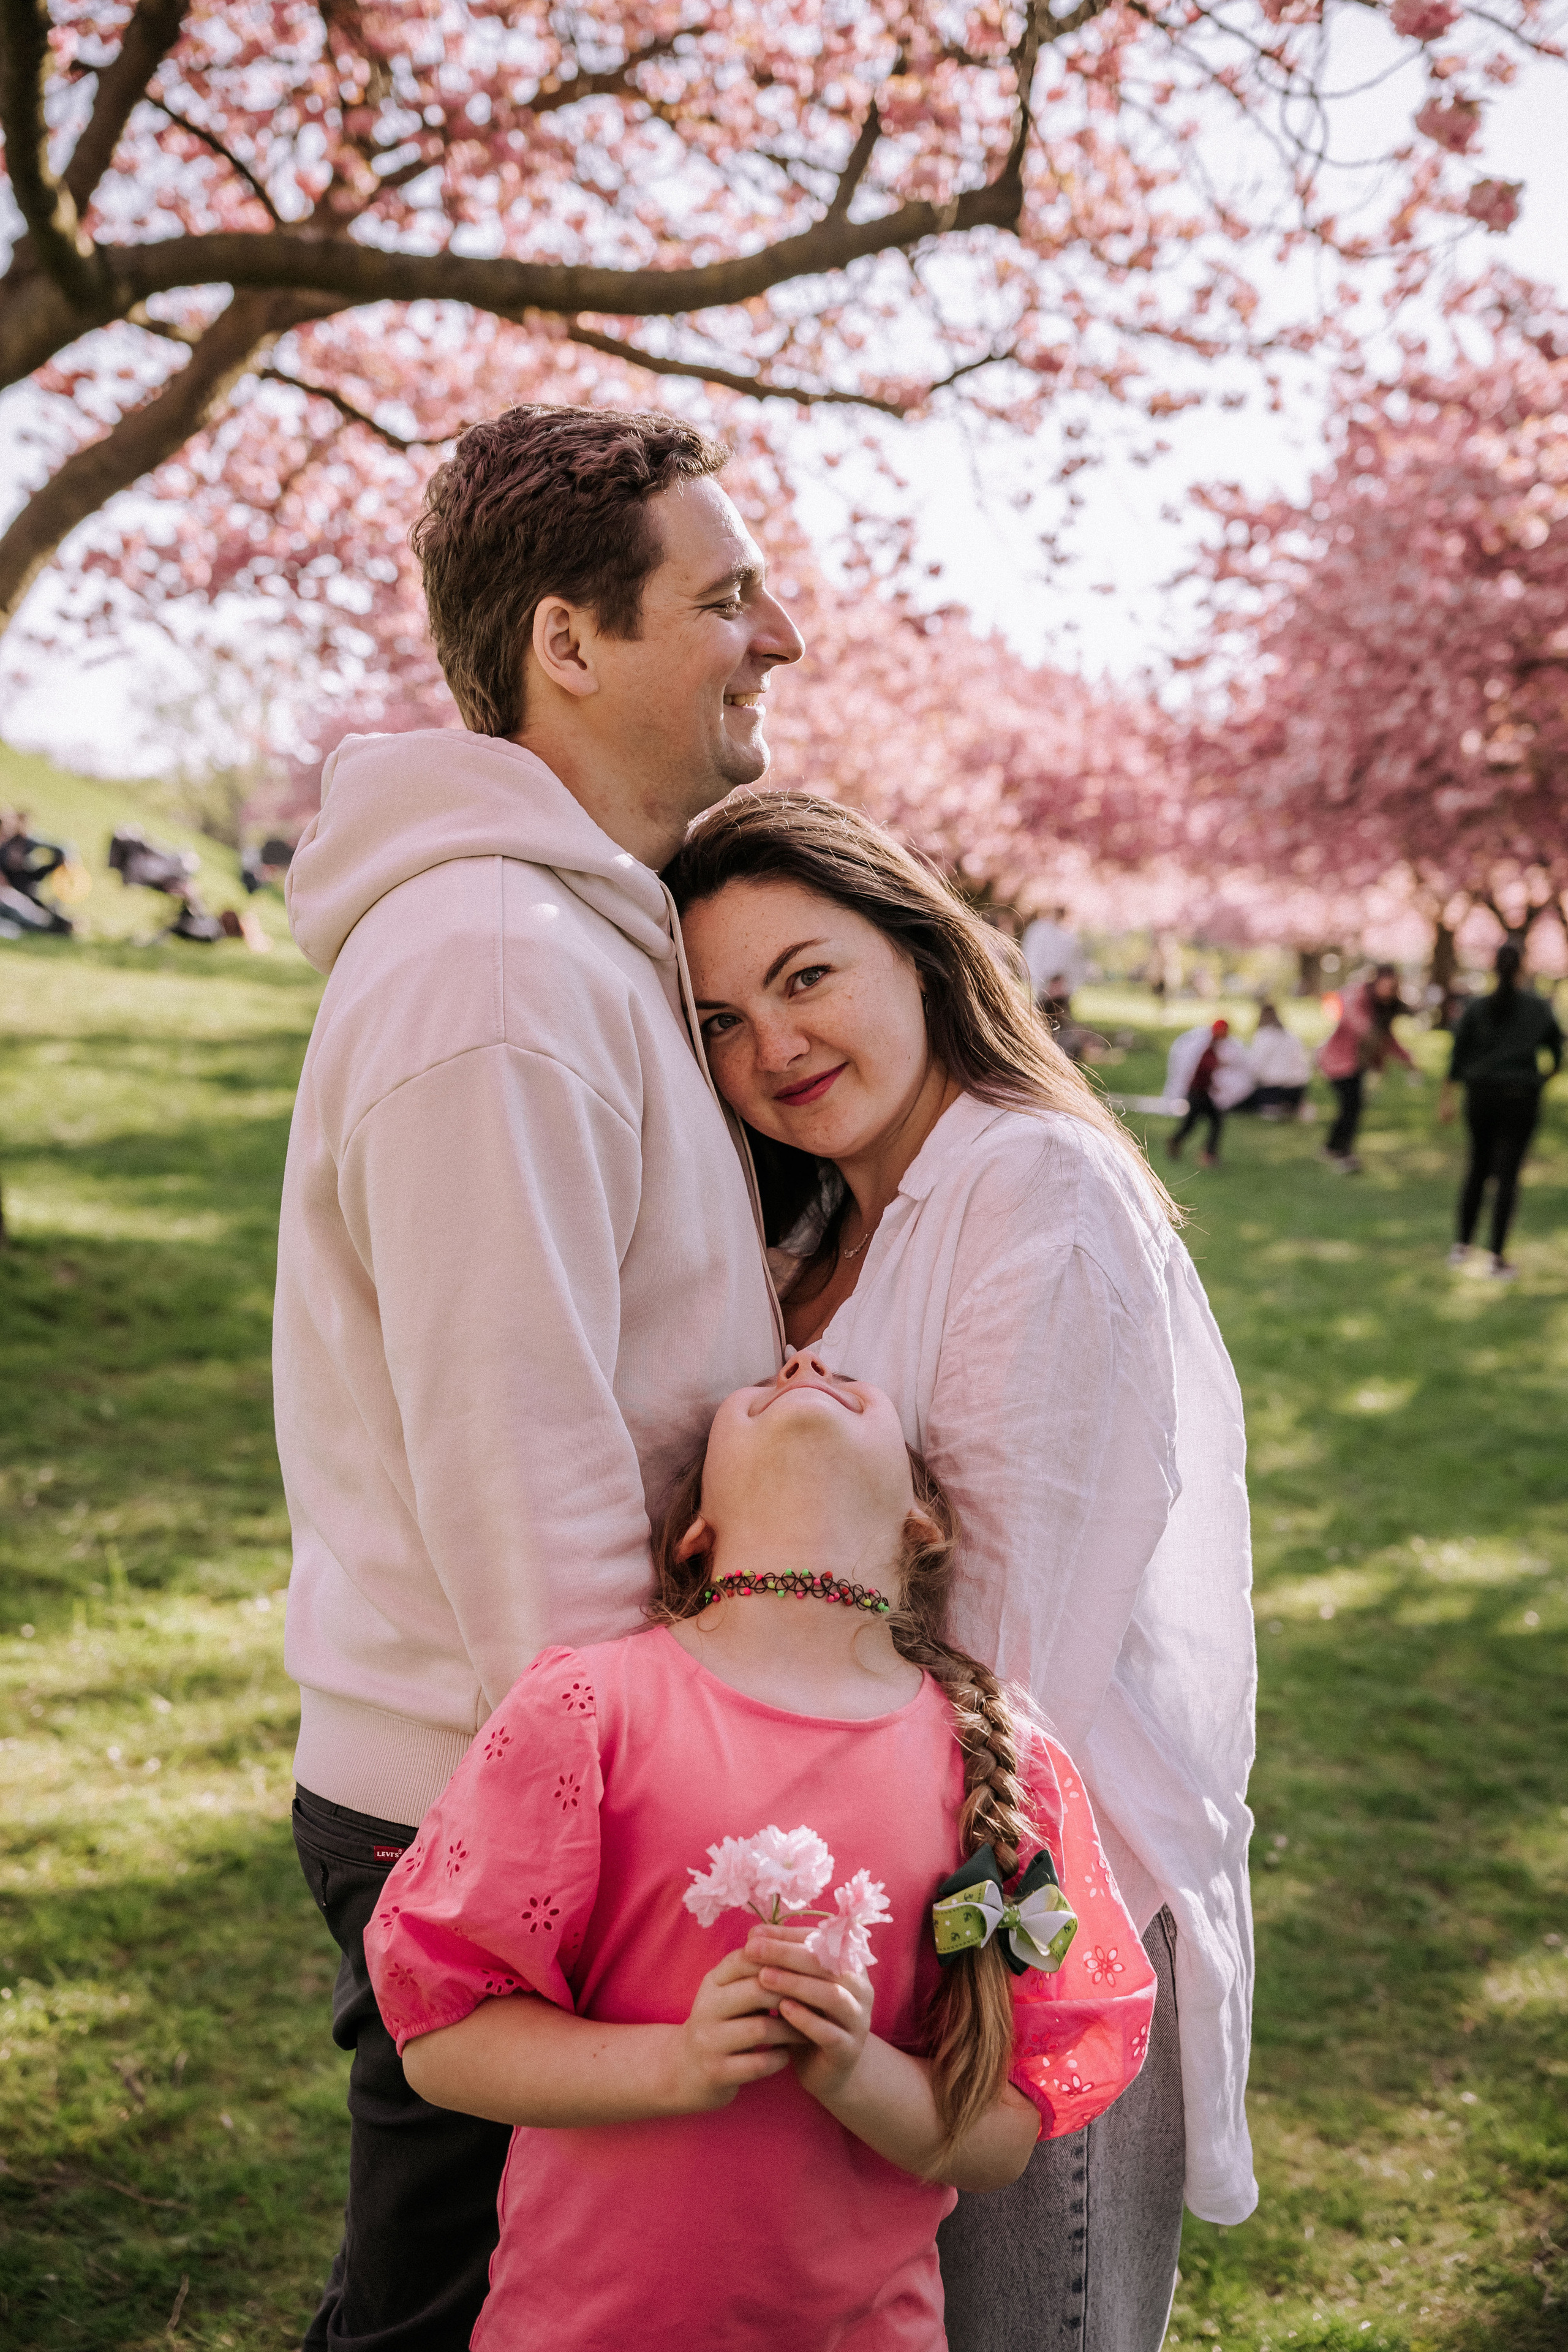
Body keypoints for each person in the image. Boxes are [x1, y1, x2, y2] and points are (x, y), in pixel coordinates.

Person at [273, 405, 802, 2350]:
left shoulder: (570, 931)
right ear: (567, 641)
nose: (779, 639)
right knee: (455, 2316)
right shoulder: (494, 962)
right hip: (498, 1807)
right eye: (727, 598)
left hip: (537, 1776)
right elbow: (523, 1471)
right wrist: (652, 1857)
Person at [669, 794, 1256, 2352]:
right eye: (719, 1019)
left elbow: (1015, 1648)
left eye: (805, 976)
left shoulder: (1033, 1190)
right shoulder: (816, 1227)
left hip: (1016, 1913)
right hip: (854, 1886)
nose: (772, 1045)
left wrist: (908, 1950)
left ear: (920, 953)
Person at [365, 1355, 1157, 2350]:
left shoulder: (997, 1766)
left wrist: (856, 2070)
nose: (805, 1362)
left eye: (845, 1372)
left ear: (921, 1521)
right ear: (696, 1529)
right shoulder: (587, 1709)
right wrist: (679, 2063)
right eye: (776, 1374)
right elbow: (443, 2039)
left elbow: (998, 2139)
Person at [1441, 943, 1563, 1278]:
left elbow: (1458, 1055)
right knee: (1508, 1174)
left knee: (1478, 1168)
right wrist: (1540, 1079)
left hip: (1481, 1096)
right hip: (1520, 1097)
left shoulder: (1477, 1007)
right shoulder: (1538, 1008)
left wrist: (1447, 1097)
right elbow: (1556, 1051)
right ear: (1522, 968)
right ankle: (1496, 1256)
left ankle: (1462, 1246)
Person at [1315, 962, 1417, 1172]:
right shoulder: (1358, 997)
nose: (1390, 992)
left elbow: (1387, 1040)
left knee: (1351, 1107)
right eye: (1387, 986)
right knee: (1351, 1106)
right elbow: (1354, 1019)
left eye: (1394, 987)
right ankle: (1342, 1152)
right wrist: (1371, 1033)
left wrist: (1407, 1060)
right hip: (1339, 1063)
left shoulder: (1384, 1008)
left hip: (1357, 1064)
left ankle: (1333, 1148)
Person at [1241, 1002, 1312, 1118]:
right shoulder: (1292, 1036)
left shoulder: (1263, 1036)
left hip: (1273, 1088)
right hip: (1297, 1087)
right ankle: (1293, 1106)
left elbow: (1254, 1066)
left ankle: (1273, 1107)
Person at [1020, 905, 1084, 1006]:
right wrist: (1044, 982)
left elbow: (1075, 964)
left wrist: (1065, 985)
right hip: (1043, 987)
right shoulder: (1040, 931)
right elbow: (1032, 957)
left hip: (1062, 988)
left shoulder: (1070, 934)